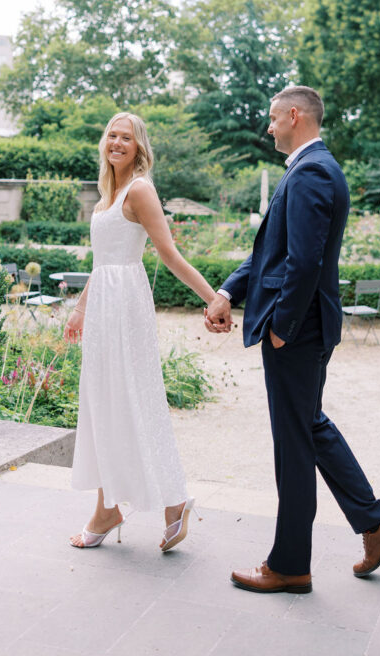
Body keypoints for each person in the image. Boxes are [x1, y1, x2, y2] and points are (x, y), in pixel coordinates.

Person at [205, 85, 380, 594]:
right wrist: (229, 290)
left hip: (297, 332)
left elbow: (304, 262)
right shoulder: (307, 167)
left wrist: (281, 328)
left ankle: (291, 565)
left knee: (293, 446)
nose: (268, 126)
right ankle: (374, 522)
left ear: (294, 116)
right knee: (309, 427)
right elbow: (273, 254)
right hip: (300, 330)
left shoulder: (312, 170)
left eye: (273, 118)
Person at [65, 112, 217, 552]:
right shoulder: (105, 198)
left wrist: (213, 298)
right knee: (102, 405)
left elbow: (169, 253)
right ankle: (108, 506)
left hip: (127, 307)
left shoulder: (140, 190)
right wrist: (79, 309)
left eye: (125, 137)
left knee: (136, 398)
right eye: (111, 135)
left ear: (138, 147)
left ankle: (173, 502)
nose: (116, 142)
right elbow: (102, 262)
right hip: (101, 310)